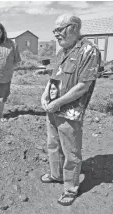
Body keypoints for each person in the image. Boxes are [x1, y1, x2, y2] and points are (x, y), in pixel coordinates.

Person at [40, 14, 101, 206]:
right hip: (52, 108)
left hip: (70, 112)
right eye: (55, 31)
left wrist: (58, 103)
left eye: (60, 29)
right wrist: (44, 95)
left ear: (74, 27)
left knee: (71, 152)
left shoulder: (89, 51)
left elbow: (83, 86)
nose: (56, 34)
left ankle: (70, 188)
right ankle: (56, 174)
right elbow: (53, 79)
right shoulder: (63, 51)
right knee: (53, 145)